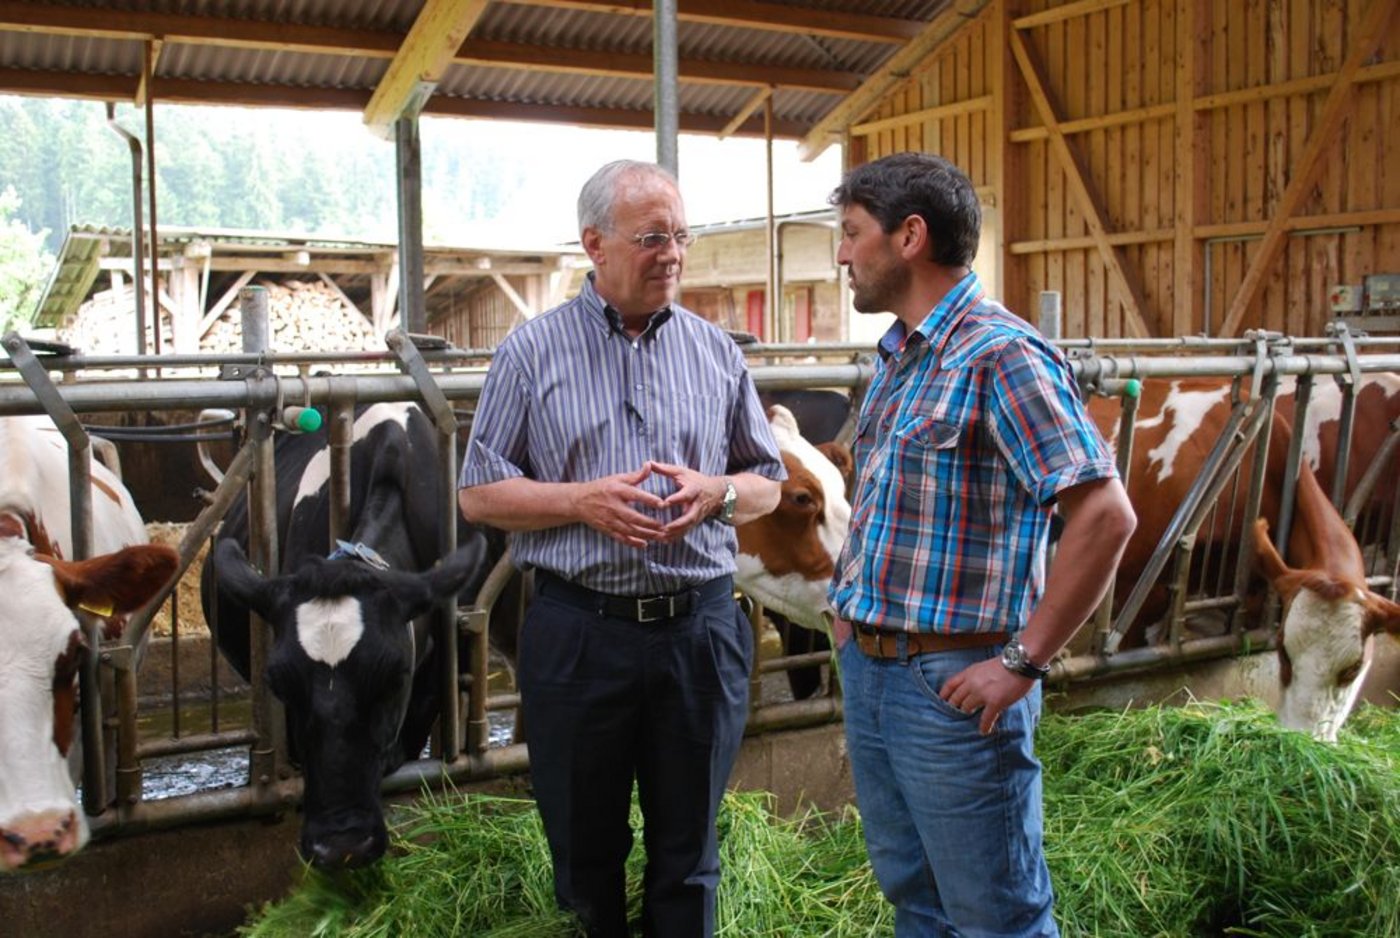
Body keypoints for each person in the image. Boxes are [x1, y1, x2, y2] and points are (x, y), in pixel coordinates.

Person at [457, 159, 784, 938]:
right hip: (579, 634)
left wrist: (718, 492)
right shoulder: (531, 353)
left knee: (690, 855)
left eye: (679, 235)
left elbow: (767, 480)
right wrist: (581, 501)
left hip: (700, 634)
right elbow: (477, 492)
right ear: (594, 244)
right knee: (584, 854)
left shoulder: (715, 351)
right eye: (650, 238)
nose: (670, 252)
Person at [827, 152, 1136, 937]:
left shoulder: (1001, 353)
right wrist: (850, 617)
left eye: (852, 233)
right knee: (915, 897)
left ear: (910, 238)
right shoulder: (901, 355)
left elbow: (1105, 515)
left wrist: (1024, 662)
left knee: (996, 914)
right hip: (875, 670)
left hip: (956, 683)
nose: (841, 254)